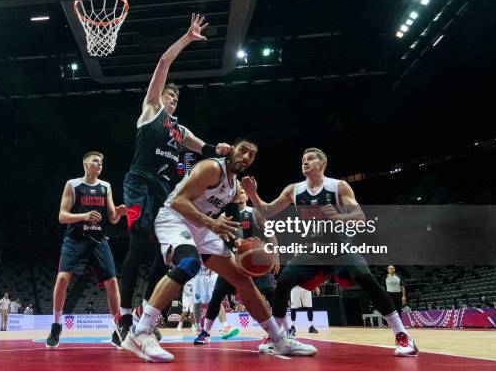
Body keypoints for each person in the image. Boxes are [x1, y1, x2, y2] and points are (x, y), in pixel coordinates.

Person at [121, 138, 317, 362]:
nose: (245, 157)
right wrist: (212, 223)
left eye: (251, 155)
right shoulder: (212, 168)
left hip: (203, 228)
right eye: (242, 150)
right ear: (232, 150)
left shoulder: (235, 187)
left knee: (242, 279)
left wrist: (238, 244)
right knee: (189, 263)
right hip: (175, 220)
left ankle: (278, 338)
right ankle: (139, 332)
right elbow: (177, 201)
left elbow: (232, 225)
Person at [118, 13, 232, 342]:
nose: (174, 99)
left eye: (177, 97)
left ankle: (145, 315)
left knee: (165, 253)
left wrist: (219, 148)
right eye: (171, 95)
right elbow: (164, 61)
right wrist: (187, 38)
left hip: (163, 190)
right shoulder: (152, 109)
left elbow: (203, 146)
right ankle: (124, 318)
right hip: (139, 182)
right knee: (139, 242)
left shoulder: (178, 129)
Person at [242, 147, 418, 357]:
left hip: (339, 249)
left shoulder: (337, 186)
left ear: (323, 164)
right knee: (284, 280)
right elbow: (268, 210)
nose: (305, 162)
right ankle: (276, 337)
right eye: (303, 160)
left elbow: (359, 216)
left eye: (310, 159)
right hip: (311, 252)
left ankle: (402, 335)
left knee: (364, 276)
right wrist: (252, 193)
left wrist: (338, 217)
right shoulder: (294, 190)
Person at [46, 151, 127, 349]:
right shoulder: (72, 185)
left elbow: (112, 218)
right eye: (95, 161)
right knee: (62, 278)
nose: (99, 164)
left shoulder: (105, 186)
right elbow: (62, 217)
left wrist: (119, 213)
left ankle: (117, 328)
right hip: (75, 239)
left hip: (98, 239)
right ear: (85, 164)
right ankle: (56, 325)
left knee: (112, 281)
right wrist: (84, 216)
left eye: (101, 162)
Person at [196, 187, 280, 343]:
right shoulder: (224, 215)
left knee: (269, 291)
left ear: (246, 196)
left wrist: (275, 254)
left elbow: (271, 233)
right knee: (217, 295)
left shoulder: (254, 213)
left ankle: (284, 328)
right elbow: (216, 237)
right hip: (232, 261)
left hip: (255, 261)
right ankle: (205, 332)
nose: (239, 194)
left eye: (242, 192)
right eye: (237, 192)